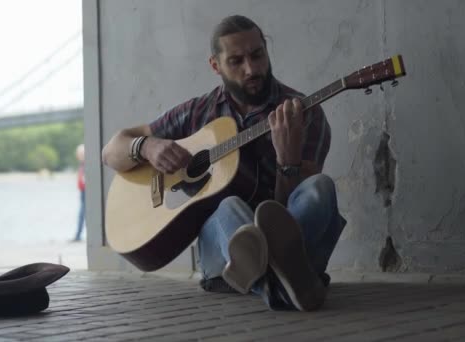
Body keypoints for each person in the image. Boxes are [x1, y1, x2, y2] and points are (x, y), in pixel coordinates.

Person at [101, 15, 346, 311]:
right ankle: (290, 284)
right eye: (236, 61)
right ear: (215, 65)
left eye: (257, 55)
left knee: (321, 187)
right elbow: (111, 152)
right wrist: (148, 146)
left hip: (290, 243)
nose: (251, 69)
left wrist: (288, 163)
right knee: (229, 206)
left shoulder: (302, 114)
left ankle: (271, 282)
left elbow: (287, 215)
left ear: (266, 50)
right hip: (223, 251)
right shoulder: (198, 113)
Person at [73, 144, 86, 242]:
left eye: (81, 154)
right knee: (82, 215)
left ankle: (78, 236)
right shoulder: (82, 165)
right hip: (82, 192)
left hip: (86, 193)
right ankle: (78, 235)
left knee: (83, 214)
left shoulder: (86, 165)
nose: (79, 156)